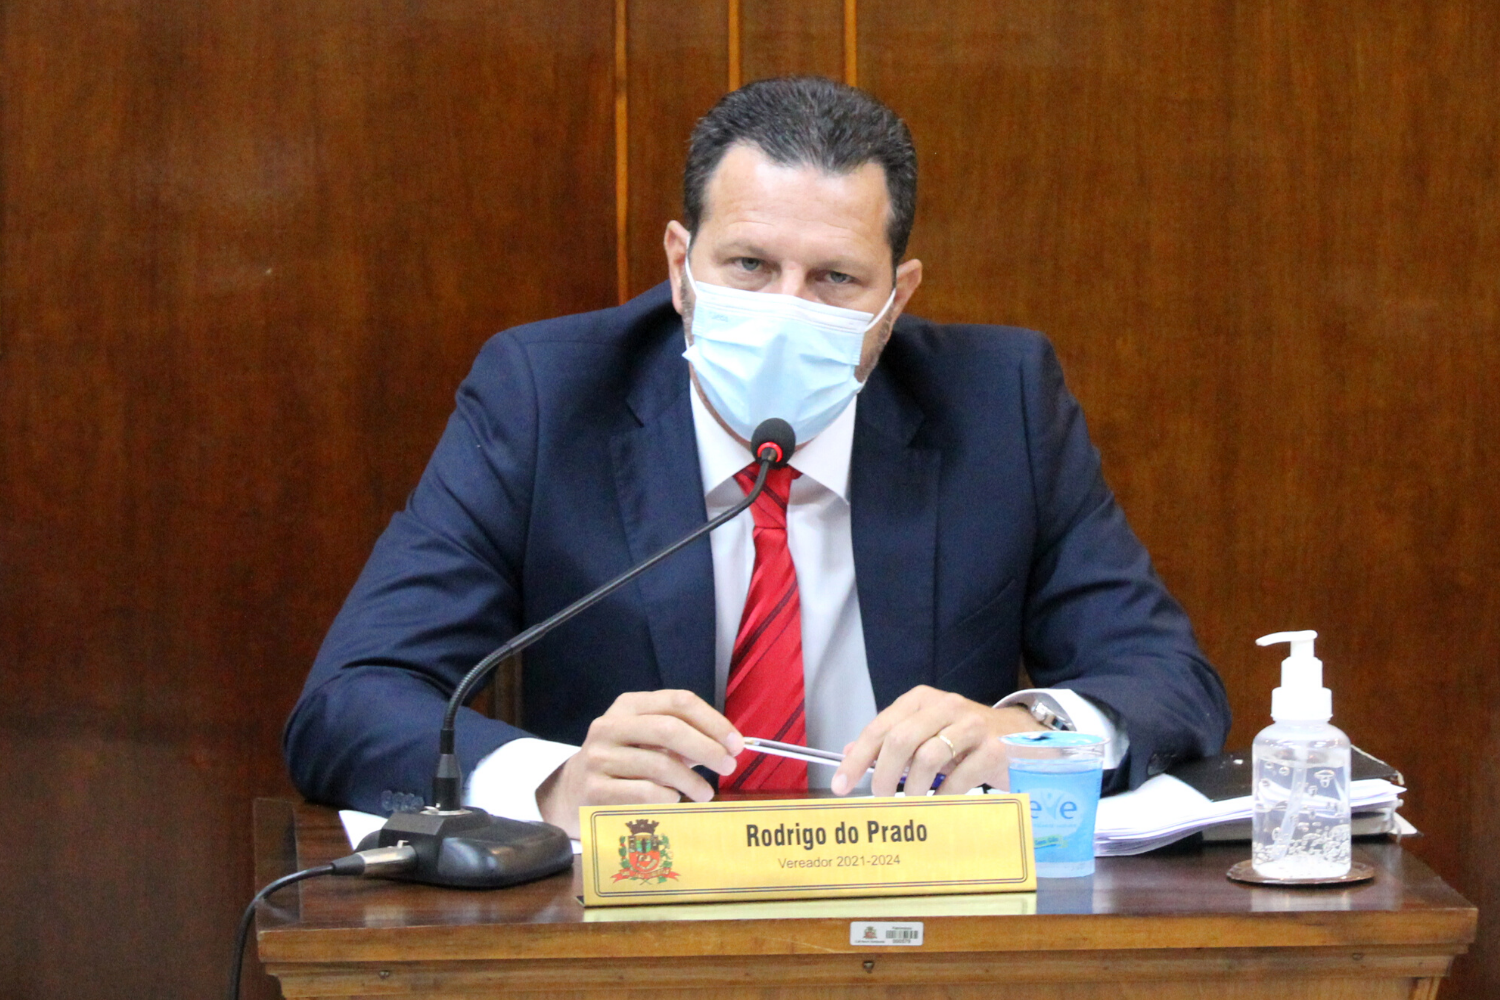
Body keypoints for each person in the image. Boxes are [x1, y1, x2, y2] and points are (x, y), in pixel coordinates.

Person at [285, 77, 1230, 838]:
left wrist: (1030, 734)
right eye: (749, 266)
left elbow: (1165, 676)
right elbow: (352, 701)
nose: (786, 309)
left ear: (895, 300)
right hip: (627, 931)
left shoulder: (998, 403)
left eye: (835, 278)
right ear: (679, 266)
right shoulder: (546, 398)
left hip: (918, 919)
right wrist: (555, 783)